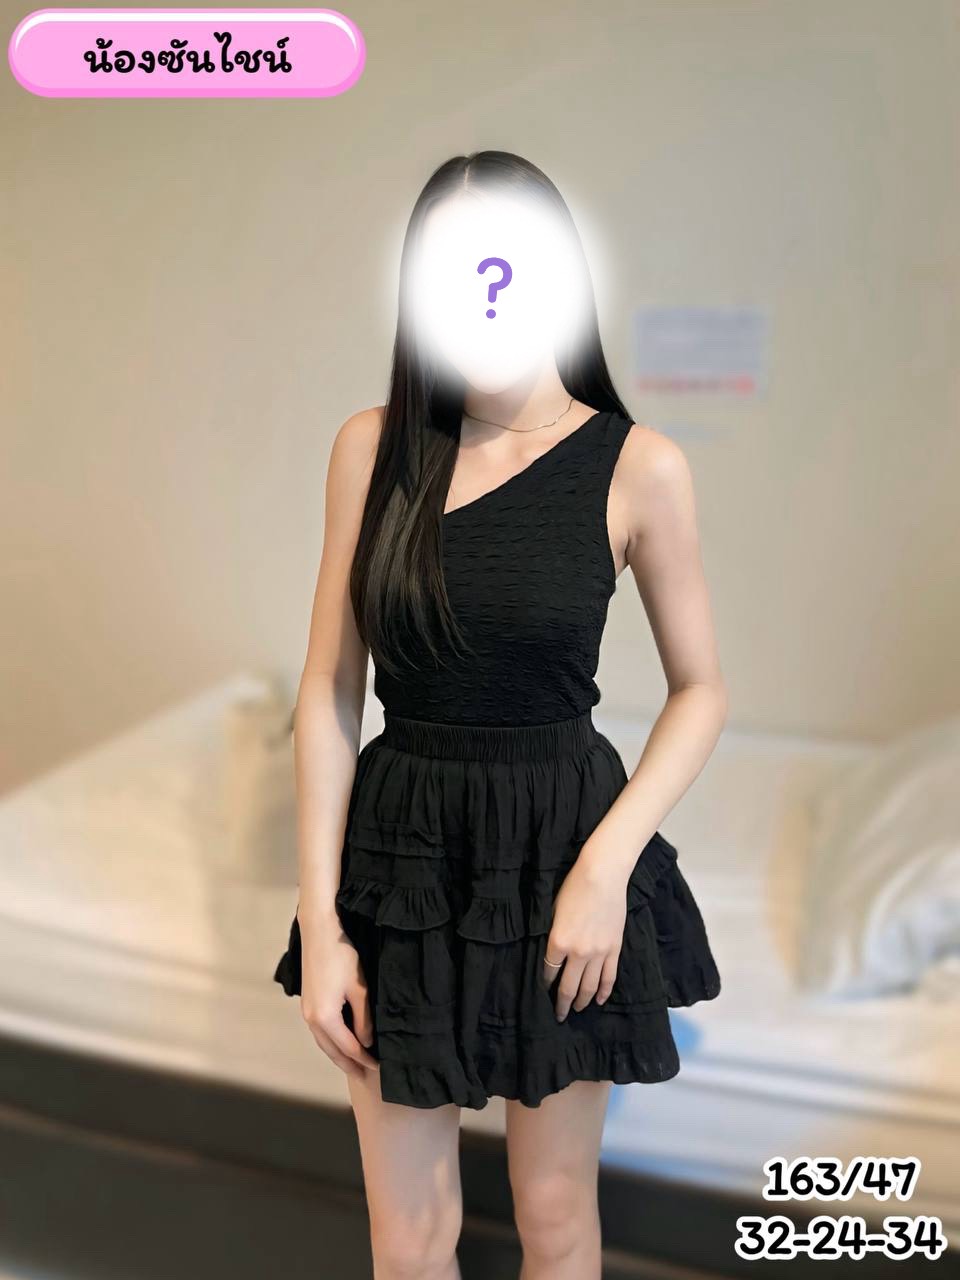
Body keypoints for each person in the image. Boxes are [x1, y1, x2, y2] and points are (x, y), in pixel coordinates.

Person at [273, 149, 724, 1280]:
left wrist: (607, 868)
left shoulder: (640, 466)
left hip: (565, 847)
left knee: (556, 1217)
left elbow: (702, 689)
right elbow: (330, 688)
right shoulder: (372, 448)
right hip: (404, 855)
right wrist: (322, 922)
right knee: (409, 1238)